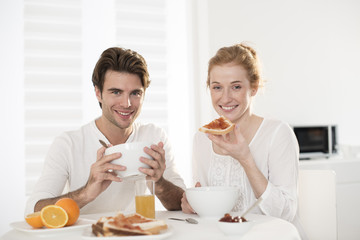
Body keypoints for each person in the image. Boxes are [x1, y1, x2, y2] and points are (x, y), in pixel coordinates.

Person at [25, 47, 185, 214]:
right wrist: (86, 193)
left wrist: (159, 183)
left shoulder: (153, 136)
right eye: (116, 92)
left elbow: (182, 203)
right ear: (98, 93)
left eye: (135, 93)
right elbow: (32, 210)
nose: (127, 104)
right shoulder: (68, 144)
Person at [181, 43, 306, 238]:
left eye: (236, 87)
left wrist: (246, 159)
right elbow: (210, 213)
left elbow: (285, 214)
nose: (226, 98)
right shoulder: (201, 139)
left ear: (254, 88)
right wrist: (193, 204)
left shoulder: (278, 133)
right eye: (217, 87)